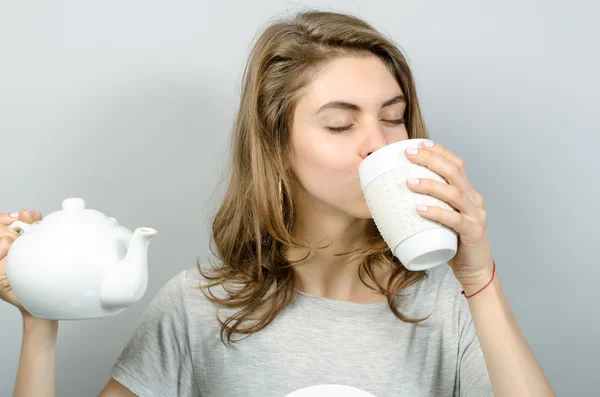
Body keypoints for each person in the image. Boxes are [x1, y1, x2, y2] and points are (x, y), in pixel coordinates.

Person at [1, 10, 555, 397]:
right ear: (278, 148)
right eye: (340, 123)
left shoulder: (451, 305)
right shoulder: (200, 306)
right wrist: (39, 318)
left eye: (392, 116)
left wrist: (479, 277)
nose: (380, 143)